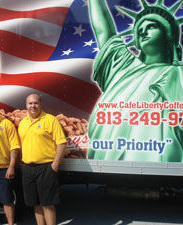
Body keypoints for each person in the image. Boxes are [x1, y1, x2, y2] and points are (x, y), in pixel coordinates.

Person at [88, 0, 183, 162]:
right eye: (140, 30)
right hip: (110, 157)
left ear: (168, 34)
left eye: (152, 26)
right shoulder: (122, 68)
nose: (144, 32)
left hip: (162, 161)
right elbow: (104, 32)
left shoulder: (178, 73)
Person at [18, 93, 67, 225]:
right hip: (28, 168)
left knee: (48, 204)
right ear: (26, 105)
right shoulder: (22, 123)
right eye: (30, 103)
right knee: (35, 204)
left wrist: (55, 164)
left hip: (46, 167)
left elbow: (61, 143)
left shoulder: (50, 120)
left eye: (35, 103)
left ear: (40, 104)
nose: (33, 106)